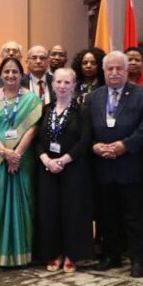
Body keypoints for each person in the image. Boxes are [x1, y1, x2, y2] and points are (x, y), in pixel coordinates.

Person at [87, 51, 143, 277]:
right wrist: (95, 146)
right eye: (110, 69)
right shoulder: (94, 97)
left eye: (119, 69)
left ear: (127, 71)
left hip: (131, 166)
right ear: (104, 71)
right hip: (103, 166)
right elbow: (86, 129)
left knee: (135, 217)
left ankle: (138, 260)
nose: (114, 73)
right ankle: (111, 256)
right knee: (108, 216)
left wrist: (125, 146)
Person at [0, 57, 42, 268]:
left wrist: (16, 153)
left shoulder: (32, 99)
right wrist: (3, 151)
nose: (10, 75)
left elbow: (33, 129)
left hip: (22, 160)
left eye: (15, 71)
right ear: (0, 75)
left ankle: (23, 253)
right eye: (6, 72)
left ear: (22, 74)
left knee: (23, 203)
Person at [35, 67, 91, 273]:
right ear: (52, 84)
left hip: (73, 169)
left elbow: (85, 140)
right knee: (49, 212)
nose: (62, 86)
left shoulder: (82, 110)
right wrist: (46, 159)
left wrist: (63, 160)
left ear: (74, 85)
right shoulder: (46, 109)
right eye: (58, 82)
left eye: (67, 82)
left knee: (72, 212)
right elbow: (37, 140)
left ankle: (71, 254)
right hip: (47, 169)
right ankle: (53, 253)